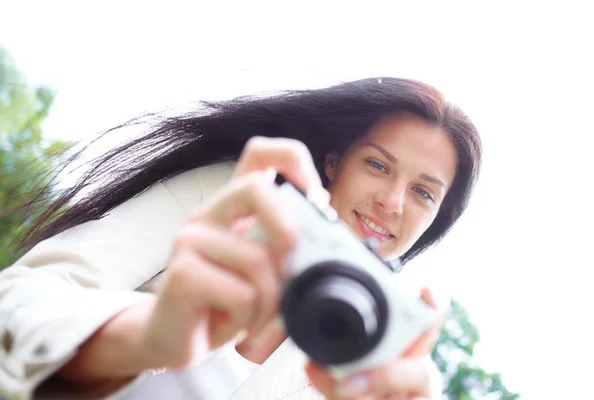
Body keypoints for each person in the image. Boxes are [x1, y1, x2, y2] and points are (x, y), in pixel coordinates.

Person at [0, 77, 482, 400]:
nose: (393, 201)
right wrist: (145, 337)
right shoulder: (236, 197)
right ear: (334, 164)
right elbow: (16, 304)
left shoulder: (378, 347)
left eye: (423, 192)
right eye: (378, 165)